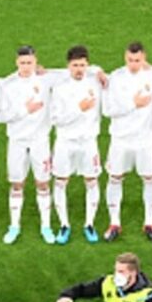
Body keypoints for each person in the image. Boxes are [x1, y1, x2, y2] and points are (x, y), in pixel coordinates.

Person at [102, 42, 152, 242]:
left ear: (144, 57)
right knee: (115, 177)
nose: (133, 64)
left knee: (149, 178)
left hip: (146, 140)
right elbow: (107, 110)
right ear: (124, 58)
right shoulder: (116, 78)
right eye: (130, 60)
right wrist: (132, 104)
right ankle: (114, 223)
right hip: (120, 139)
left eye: (137, 60)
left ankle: (149, 223)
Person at [0, 45, 67, 245]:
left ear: (36, 62)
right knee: (17, 184)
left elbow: (71, 71)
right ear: (16, 62)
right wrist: (24, 110)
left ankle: (46, 226)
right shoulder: (7, 84)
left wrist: (98, 72)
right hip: (17, 141)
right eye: (23, 63)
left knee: (43, 183)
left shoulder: (45, 79)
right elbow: (0, 116)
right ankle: (14, 226)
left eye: (30, 62)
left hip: (40, 141)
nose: (26, 67)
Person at [49, 45, 104, 245]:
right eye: (75, 65)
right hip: (65, 142)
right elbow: (56, 119)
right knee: (61, 181)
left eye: (82, 65)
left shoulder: (96, 82)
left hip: (89, 142)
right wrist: (78, 109)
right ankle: (64, 225)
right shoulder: (60, 88)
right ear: (68, 66)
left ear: (87, 65)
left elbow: (100, 71)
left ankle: (89, 224)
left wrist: (97, 71)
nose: (79, 69)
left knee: (91, 180)